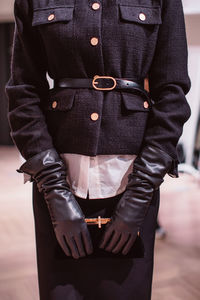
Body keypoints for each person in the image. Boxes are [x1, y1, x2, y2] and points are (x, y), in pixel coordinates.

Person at [5, 0, 191, 299]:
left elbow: (172, 93)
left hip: (133, 183)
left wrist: (140, 192)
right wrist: (54, 191)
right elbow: (23, 90)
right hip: (58, 183)